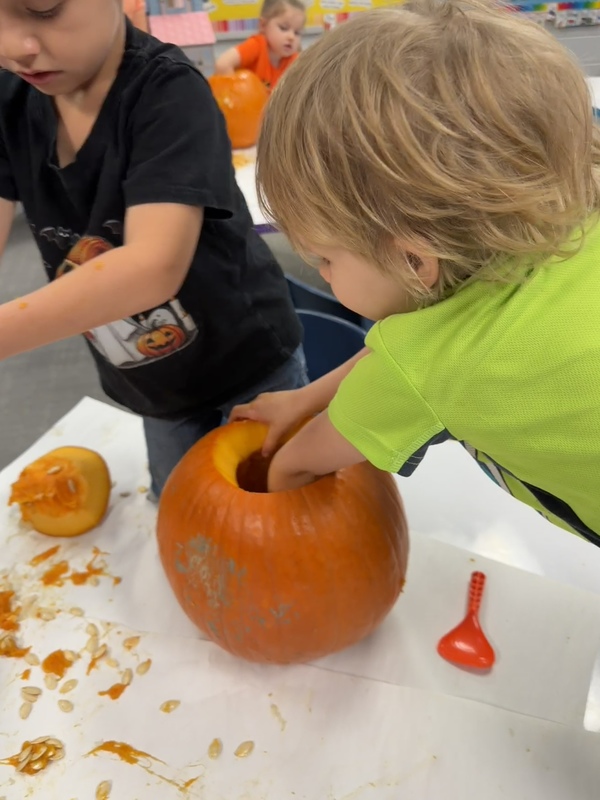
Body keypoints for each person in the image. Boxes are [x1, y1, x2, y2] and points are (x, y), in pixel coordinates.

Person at [231, 0, 600, 543]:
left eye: (326, 260)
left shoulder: (435, 369)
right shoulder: (552, 220)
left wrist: (262, 535)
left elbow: (297, 465)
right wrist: (305, 398)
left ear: (414, 260)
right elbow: (412, 350)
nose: (323, 273)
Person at [0, 0, 306, 499]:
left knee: (277, 511)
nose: (14, 47)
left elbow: (151, 268)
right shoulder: (9, 102)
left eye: (44, 7)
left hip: (246, 362)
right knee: (180, 508)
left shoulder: (169, 93)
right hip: (152, 385)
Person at [214, 0, 305, 91]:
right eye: (283, 28)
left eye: (297, 33)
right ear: (263, 25)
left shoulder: (295, 60)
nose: (291, 37)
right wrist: (236, 94)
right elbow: (223, 64)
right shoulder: (257, 45)